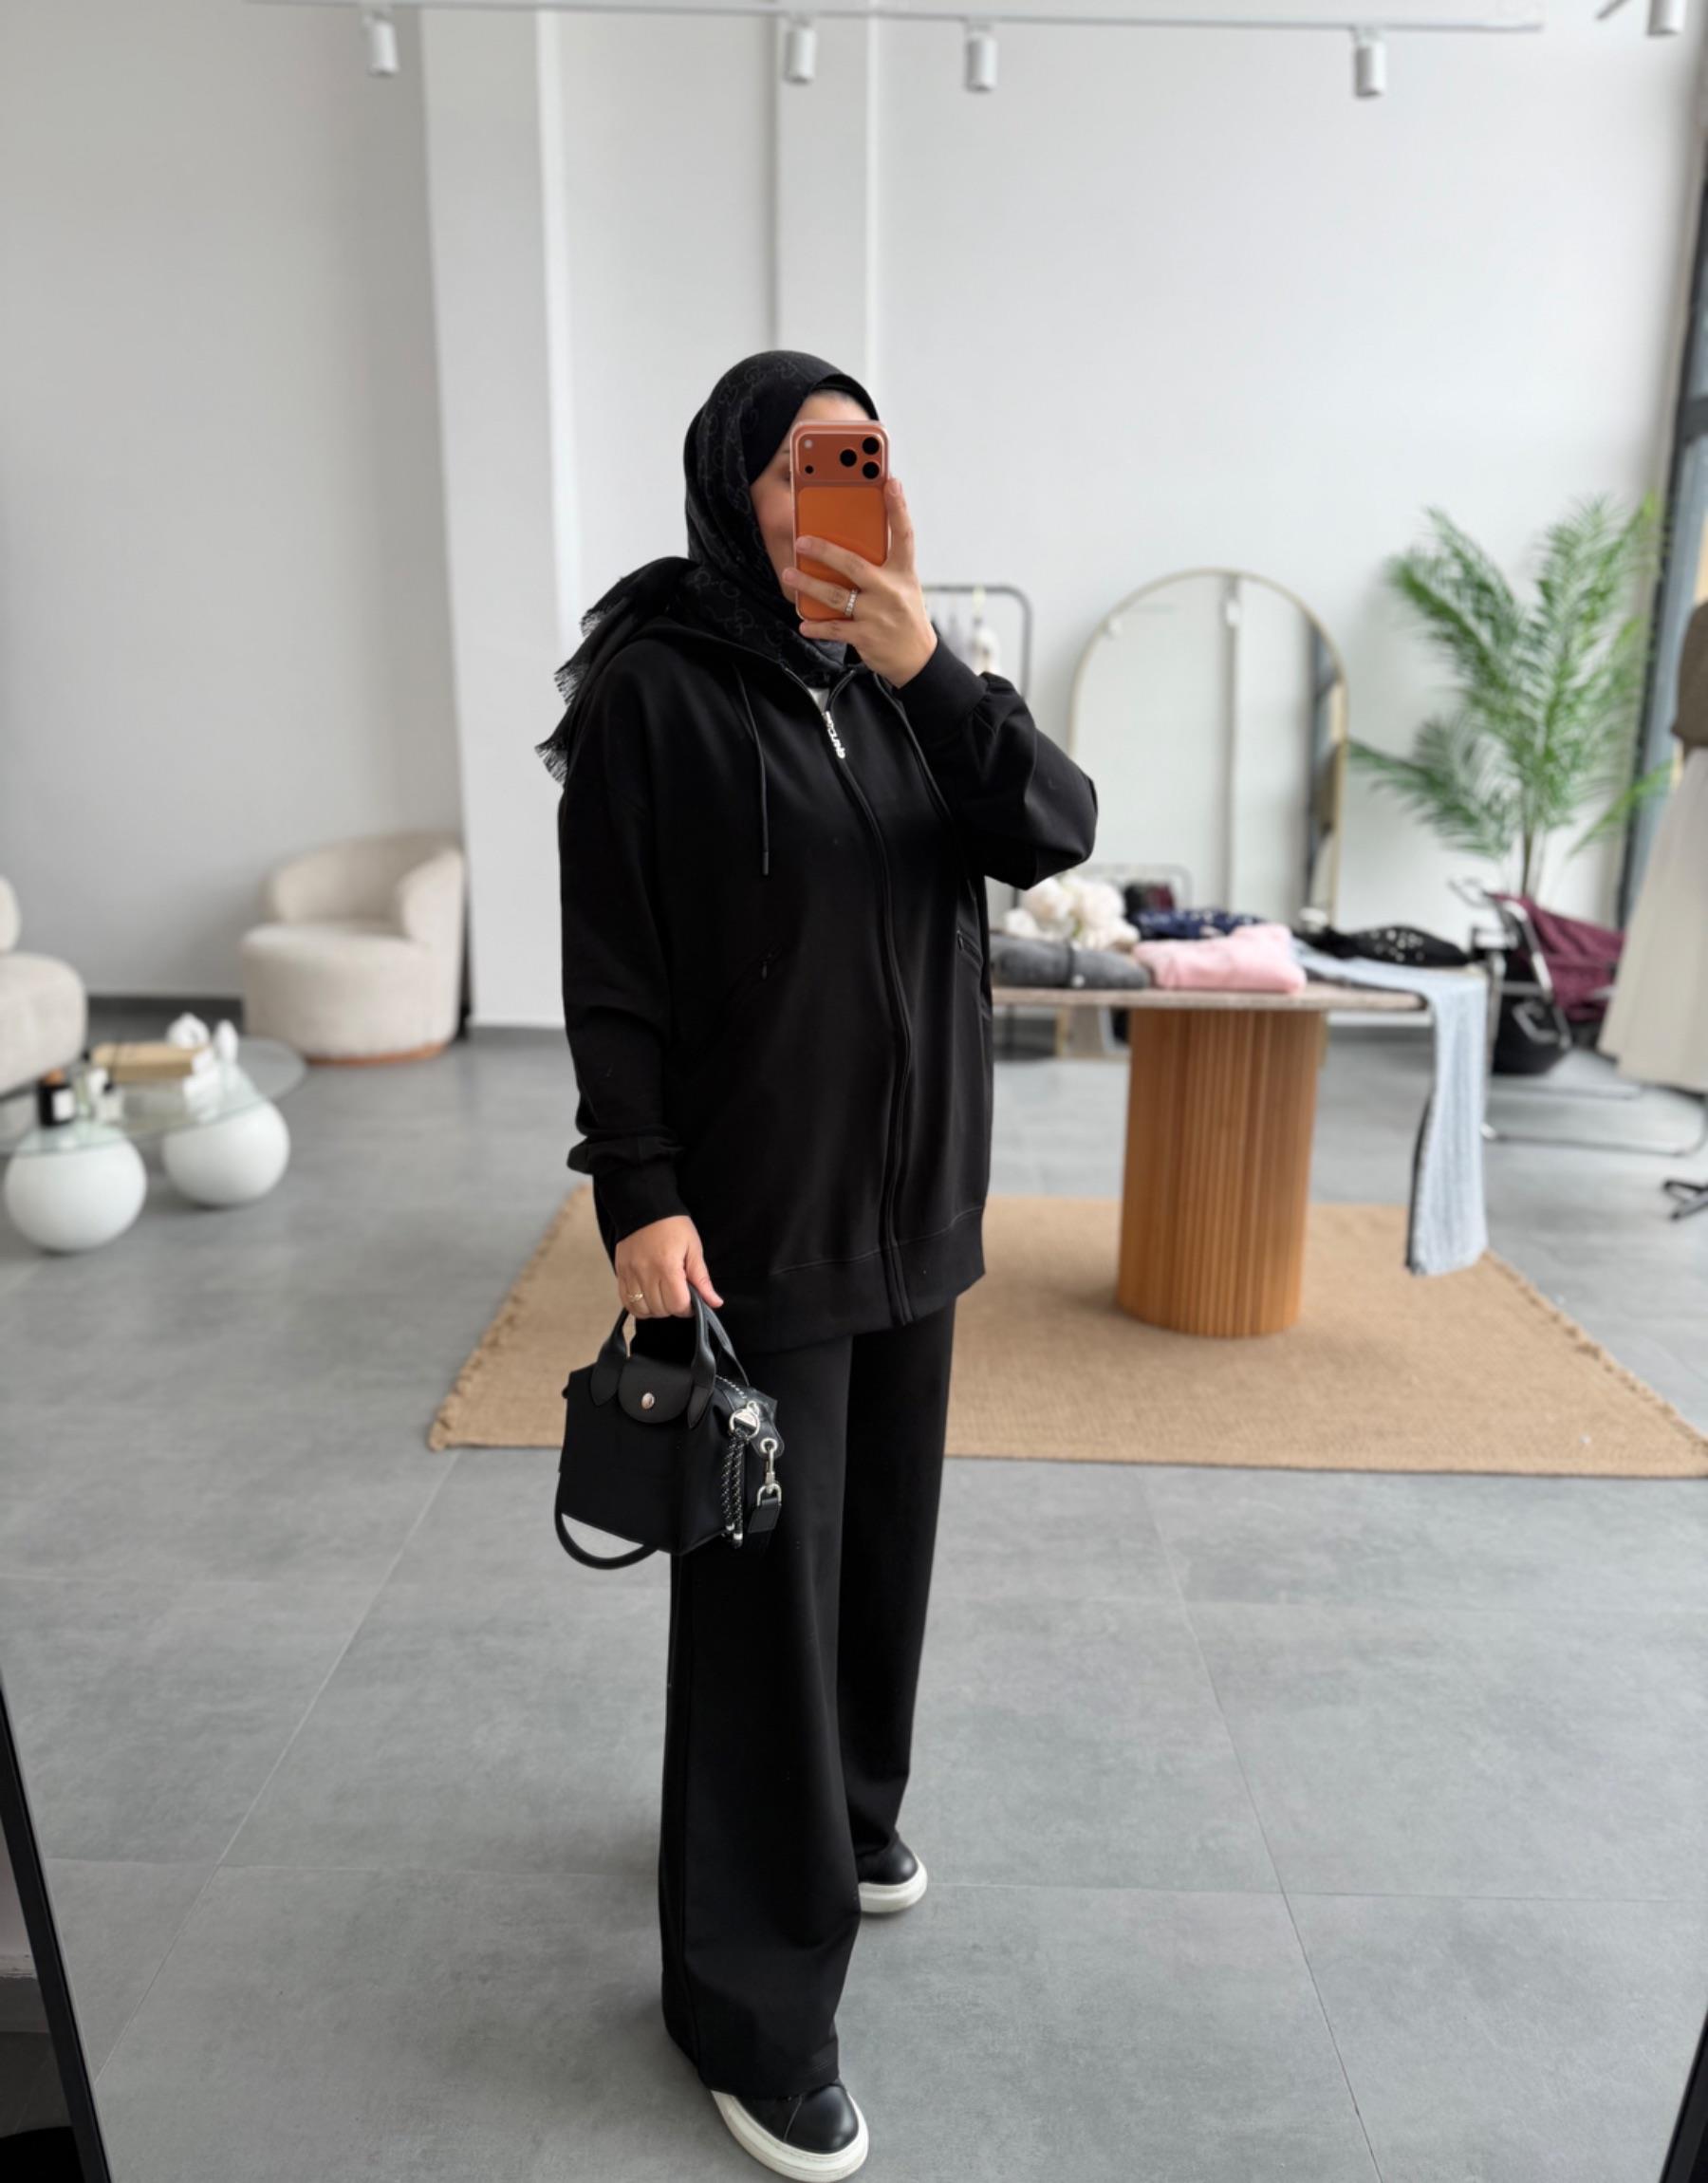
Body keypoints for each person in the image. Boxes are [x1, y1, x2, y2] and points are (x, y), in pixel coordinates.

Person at [546, 349, 1098, 2178]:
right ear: (731, 484)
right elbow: (614, 967)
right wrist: (638, 1192)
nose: (831, 492)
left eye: (858, 459)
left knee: (879, 1561)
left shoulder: (911, 680)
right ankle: (750, 2007)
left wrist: (925, 662)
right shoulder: (658, 690)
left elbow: (1055, 831)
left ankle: (848, 1816)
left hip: (920, 1209)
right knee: (762, 1607)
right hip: (755, 1226)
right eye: (798, 463)